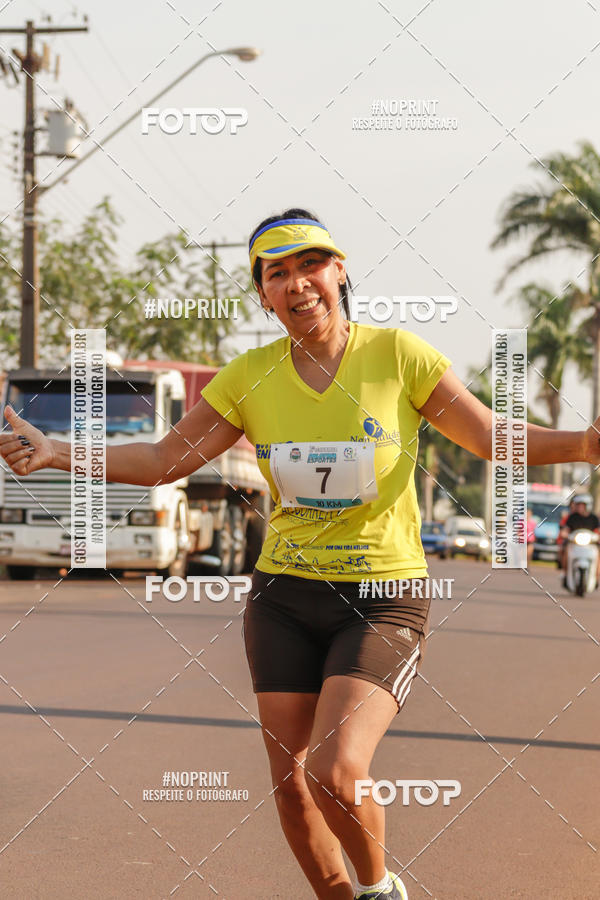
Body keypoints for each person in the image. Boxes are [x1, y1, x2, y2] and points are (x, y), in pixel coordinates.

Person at [2, 207, 600, 900]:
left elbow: (492, 436)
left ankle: (379, 890)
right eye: (277, 273)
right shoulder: (248, 376)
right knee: (290, 786)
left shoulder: (398, 356)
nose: (297, 283)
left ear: (339, 271)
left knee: (334, 771)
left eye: (311, 264)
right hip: (283, 599)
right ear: (263, 294)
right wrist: (57, 452)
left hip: (381, 598)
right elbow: (165, 459)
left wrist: (585, 445)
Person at [559, 493, 600, 577]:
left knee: (597, 553)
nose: (579, 507)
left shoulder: (594, 518)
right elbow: (566, 529)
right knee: (565, 549)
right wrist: (564, 533)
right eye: (578, 505)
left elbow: (598, 530)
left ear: (587, 506)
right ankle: (565, 572)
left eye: (582, 505)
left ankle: (597, 575)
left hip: (590, 543)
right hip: (574, 543)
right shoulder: (572, 517)